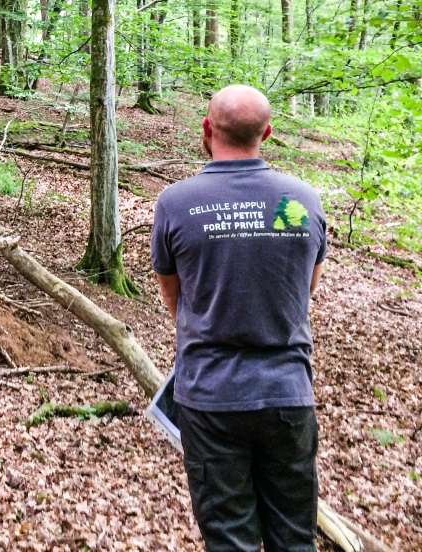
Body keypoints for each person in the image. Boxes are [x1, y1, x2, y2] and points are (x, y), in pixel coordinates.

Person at [150, 84, 326, 552]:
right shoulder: (303, 200)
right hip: (288, 393)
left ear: (207, 129)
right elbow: (304, 291)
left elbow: (175, 299)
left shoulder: (175, 202)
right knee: (294, 537)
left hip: (210, 396)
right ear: (266, 133)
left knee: (229, 540)